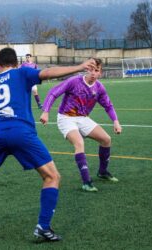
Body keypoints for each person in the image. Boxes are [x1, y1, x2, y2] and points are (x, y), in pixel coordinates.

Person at [0, 47, 96, 241]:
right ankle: (43, 227)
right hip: (21, 133)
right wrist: (79, 67)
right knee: (52, 176)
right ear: (16, 63)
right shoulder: (22, 72)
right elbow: (47, 73)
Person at [40, 58, 122, 192]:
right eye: (91, 69)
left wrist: (116, 121)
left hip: (83, 119)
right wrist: (46, 112)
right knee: (79, 143)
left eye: (96, 70)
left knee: (106, 139)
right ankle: (86, 182)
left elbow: (108, 105)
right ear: (86, 69)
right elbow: (53, 93)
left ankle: (102, 172)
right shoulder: (74, 81)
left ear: (100, 73)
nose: (93, 73)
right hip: (66, 118)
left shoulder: (99, 87)